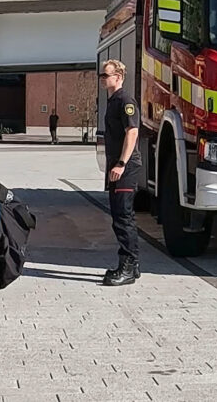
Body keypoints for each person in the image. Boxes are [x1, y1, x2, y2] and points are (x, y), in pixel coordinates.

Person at [99, 59, 141, 287]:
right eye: (102, 75)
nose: (103, 79)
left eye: (106, 75)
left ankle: (127, 265)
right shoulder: (113, 100)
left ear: (118, 76)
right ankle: (132, 266)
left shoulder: (125, 100)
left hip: (125, 167)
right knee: (120, 217)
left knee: (123, 218)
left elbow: (132, 132)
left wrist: (121, 163)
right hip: (117, 166)